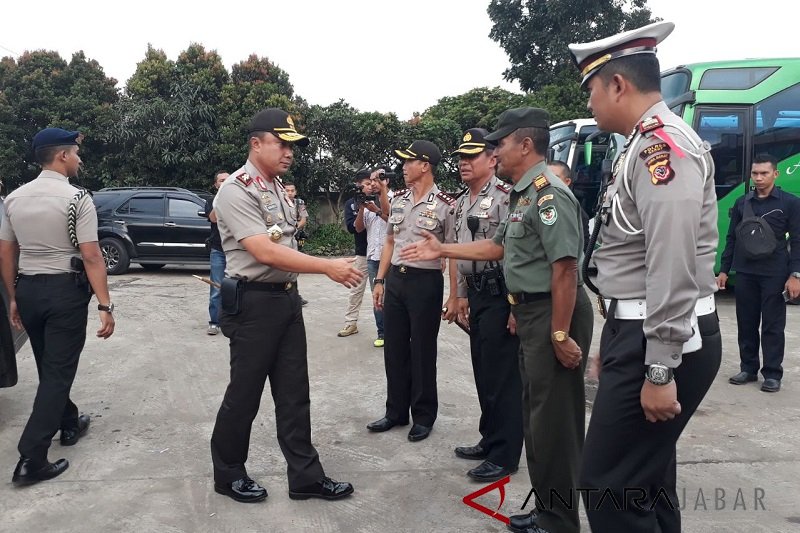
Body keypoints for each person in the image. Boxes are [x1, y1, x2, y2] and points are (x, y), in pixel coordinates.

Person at [400, 109, 593, 533]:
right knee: (537, 418)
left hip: (551, 310)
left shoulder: (548, 194)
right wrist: (444, 251)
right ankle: (547, 510)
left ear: (525, 145)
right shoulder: (525, 195)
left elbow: (565, 269)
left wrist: (560, 333)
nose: (495, 151)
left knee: (555, 425)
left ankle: (559, 522)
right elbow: (497, 246)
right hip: (531, 307)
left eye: (500, 144)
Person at [569, 21, 722, 532]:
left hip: (659, 339)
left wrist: (659, 368)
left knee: (607, 484)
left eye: (592, 90)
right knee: (645, 480)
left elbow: (672, 263)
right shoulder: (641, 144)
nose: (589, 103)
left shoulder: (663, 149)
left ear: (618, 85)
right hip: (636, 331)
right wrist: (613, 342)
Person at [210, 108, 362, 503]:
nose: (289, 152)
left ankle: (305, 477)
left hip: (286, 302)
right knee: (244, 394)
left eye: (292, 145)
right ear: (256, 143)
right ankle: (228, 474)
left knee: (295, 394)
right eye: (282, 143)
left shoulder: (276, 187)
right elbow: (263, 251)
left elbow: (285, 243)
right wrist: (326, 266)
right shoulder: (237, 189)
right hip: (253, 305)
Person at [0, 128, 115, 486]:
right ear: (63, 156)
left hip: (29, 290)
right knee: (58, 372)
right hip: (64, 292)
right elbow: (92, 254)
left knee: (50, 364)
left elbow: (6, 251)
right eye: (77, 154)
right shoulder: (77, 198)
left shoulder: (13, 199)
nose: (80, 160)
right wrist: (105, 304)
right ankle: (32, 457)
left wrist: (14, 296)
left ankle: (68, 421)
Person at [447, 128, 523, 483]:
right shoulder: (462, 201)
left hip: (500, 292)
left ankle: (505, 454)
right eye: (461, 156)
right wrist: (460, 294)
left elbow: (515, 254)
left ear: (492, 159)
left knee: (503, 377)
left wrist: (515, 305)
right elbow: (460, 252)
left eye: (471, 156)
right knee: (483, 371)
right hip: (476, 293)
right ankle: (490, 438)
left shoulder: (506, 197)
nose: (463, 162)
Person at [368, 140, 455, 443]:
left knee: (421, 349)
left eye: (408, 163)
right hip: (396, 281)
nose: (402, 168)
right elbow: (390, 241)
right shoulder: (401, 201)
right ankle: (395, 412)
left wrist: (456, 294)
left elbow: (454, 251)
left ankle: (423, 415)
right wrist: (380, 281)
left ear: (425, 165)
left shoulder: (446, 204)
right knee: (394, 348)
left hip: (425, 283)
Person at [718, 153, 800, 393]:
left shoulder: (790, 203)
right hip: (745, 271)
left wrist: (795, 274)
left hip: (775, 272)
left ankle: (772, 373)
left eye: (764, 173)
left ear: (775, 174)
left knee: (773, 325)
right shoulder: (744, 202)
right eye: (755, 173)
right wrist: (724, 270)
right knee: (746, 322)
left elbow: (797, 240)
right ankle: (749, 368)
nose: (759, 178)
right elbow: (732, 237)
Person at [337, 170, 376, 338]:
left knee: (381, 291)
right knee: (356, 289)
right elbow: (353, 228)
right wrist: (361, 208)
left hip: (381, 254)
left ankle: (385, 329)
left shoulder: (382, 200)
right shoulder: (351, 204)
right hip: (362, 253)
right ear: (358, 186)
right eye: (365, 184)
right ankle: (350, 323)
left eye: (370, 183)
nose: (369, 187)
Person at [359, 169, 391, 347]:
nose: (372, 184)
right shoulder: (367, 203)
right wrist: (361, 208)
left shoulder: (397, 198)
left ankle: (395, 332)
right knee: (377, 298)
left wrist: (376, 211)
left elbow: (394, 222)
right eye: (370, 181)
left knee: (392, 297)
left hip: (391, 258)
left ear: (385, 181)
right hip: (372, 257)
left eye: (376, 180)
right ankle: (382, 333)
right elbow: (358, 229)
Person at [205, 170, 229, 335]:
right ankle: (214, 322)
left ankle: (237, 320)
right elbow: (213, 218)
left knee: (239, 287)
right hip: (218, 250)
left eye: (228, 180)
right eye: (221, 181)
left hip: (237, 251)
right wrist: (221, 198)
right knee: (217, 288)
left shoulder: (240, 199)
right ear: (216, 185)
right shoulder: (212, 201)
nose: (225, 183)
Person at [549, 160, 591, 249]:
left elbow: (582, 247)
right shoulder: (534, 204)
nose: (549, 182)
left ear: (567, 182)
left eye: (555, 178)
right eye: (546, 177)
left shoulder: (575, 212)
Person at [284, 182, 309, 305]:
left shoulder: (299, 203)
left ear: (295, 192)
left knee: (295, 267)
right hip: (281, 239)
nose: (289, 193)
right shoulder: (278, 202)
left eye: (292, 190)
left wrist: (296, 229)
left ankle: (295, 294)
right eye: (287, 190)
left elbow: (303, 219)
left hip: (295, 237)